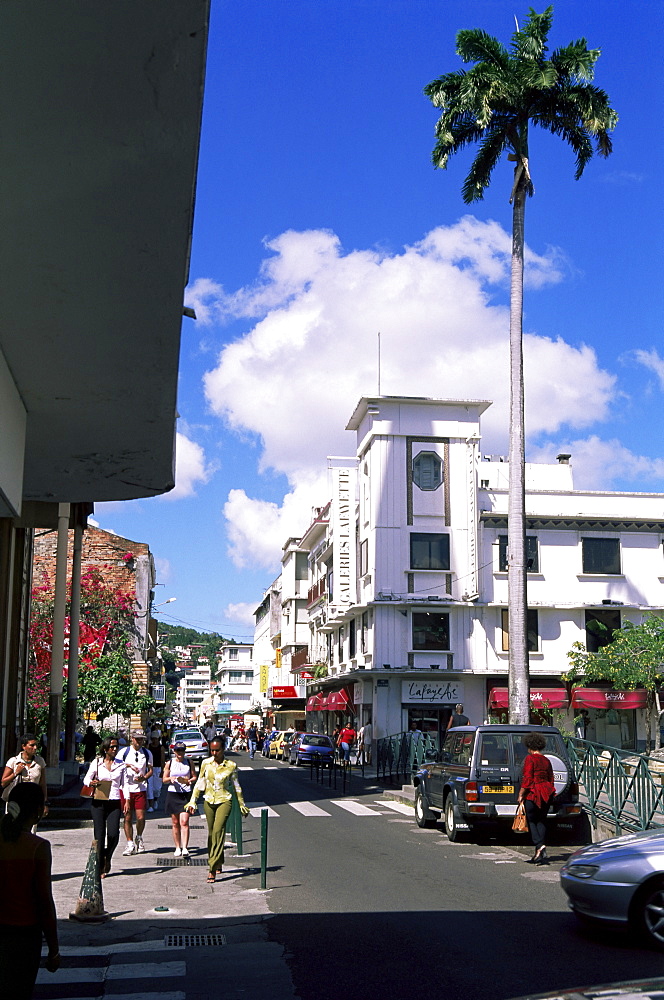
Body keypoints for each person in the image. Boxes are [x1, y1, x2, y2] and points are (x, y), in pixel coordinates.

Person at [0, 784, 59, 996]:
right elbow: (44, 901)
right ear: (36, 810)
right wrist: (54, 948)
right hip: (23, 935)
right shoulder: (38, 847)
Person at [185, 737, 249, 883]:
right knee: (211, 833)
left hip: (224, 800)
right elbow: (200, 782)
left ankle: (212, 868)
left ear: (223, 749)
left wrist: (241, 805)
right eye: (212, 750)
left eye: (217, 750)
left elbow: (236, 786)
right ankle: (218, 860)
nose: (214, 753)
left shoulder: (231, 765)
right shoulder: (205, 763)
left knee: (218, 831)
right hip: (208, 800)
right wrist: (193, 801)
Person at [82, 735, 127, 877]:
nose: (114, 749)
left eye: (116, 747)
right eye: (112, 747)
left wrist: (127, 801)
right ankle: (100, 866)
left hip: (114, 801)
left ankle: (108, 855)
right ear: (105, 748)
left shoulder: (121, 764)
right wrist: (91, 783)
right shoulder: (97, 763)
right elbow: (86, 778)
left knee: (113, 834)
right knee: (99, 836)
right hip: (98, 801)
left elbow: (125, 785)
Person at [517, 732, 556, 865]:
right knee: (541, 820)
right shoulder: (546, 760)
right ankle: (538, 852)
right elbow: (551, 778)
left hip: (534, 793)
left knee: (531, 820)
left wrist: (521, 794)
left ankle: (539, 845)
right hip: (546, 792)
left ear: (530, 746)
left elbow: (528, 778)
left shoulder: (530, 759)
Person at [117, 728, 153, 856]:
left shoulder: (147, 753)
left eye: (142, 739)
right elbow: (117, 766)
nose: (139, 742)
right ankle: (129, 842)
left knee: (141, 817)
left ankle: (139, 836)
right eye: (137, 739)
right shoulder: (123, 752)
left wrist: (144, 777)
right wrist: (129, 765)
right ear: (132, 739)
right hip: (126, 788)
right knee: (127, 817)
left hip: (140, 788)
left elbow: (150, 770)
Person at [2, 734, 49, 821]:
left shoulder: (40, 761)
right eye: (31, 745)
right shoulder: (13, 761)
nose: (35, 748)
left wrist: (44, 803)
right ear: (23, 746)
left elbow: (42, 784)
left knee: (31, 829)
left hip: (33, 801)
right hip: (16, 803)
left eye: (36, 745)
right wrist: (16, 773)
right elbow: (3, 782)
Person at [163, 741, 194, 857]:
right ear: (174, 751)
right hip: (173, 793)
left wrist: (190, 780)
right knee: (175, 822)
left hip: (185, 794)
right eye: (178, 750)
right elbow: (164, 779)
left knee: (184, 821)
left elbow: (194, 775)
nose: (180, 753)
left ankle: (185, 847)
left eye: (182, 750)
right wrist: (171, 778)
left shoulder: (189, 762)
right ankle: (177, 847)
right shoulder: (169, 763)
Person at [147, 731, 165, 812]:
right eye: (153, 739)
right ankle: (150, 805)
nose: (155, 741)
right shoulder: (149, 747)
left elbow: (162, 759)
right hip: (150, 768)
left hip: (158, 768)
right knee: (149, 787)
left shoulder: (161, 748)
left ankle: (155, 800)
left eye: (156, 739)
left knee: (157, 788)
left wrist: (162, 770)